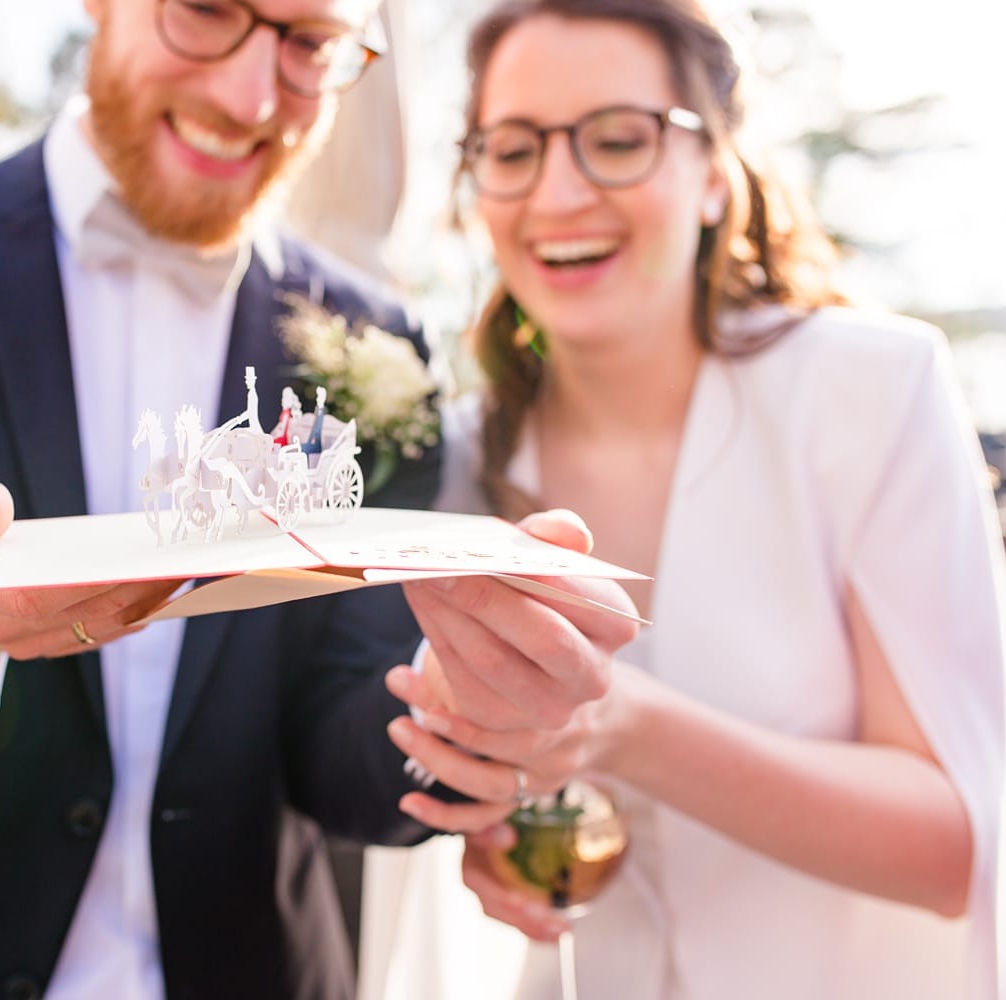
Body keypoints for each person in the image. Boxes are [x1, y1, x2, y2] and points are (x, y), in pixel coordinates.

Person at [0, 1, 636, 998]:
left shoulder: (380, 344)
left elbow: (350, 764)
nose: (251, 96)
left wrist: (461, 699)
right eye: (206, 10)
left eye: (310, 45)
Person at [378, 1, 1006, 998]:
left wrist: (623, 725)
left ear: (716, 171)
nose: (559, 191)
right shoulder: (457, 463)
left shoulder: (872, 389)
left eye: (618, 141)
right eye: (512, 149)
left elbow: (962, 844)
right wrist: (497, 841)